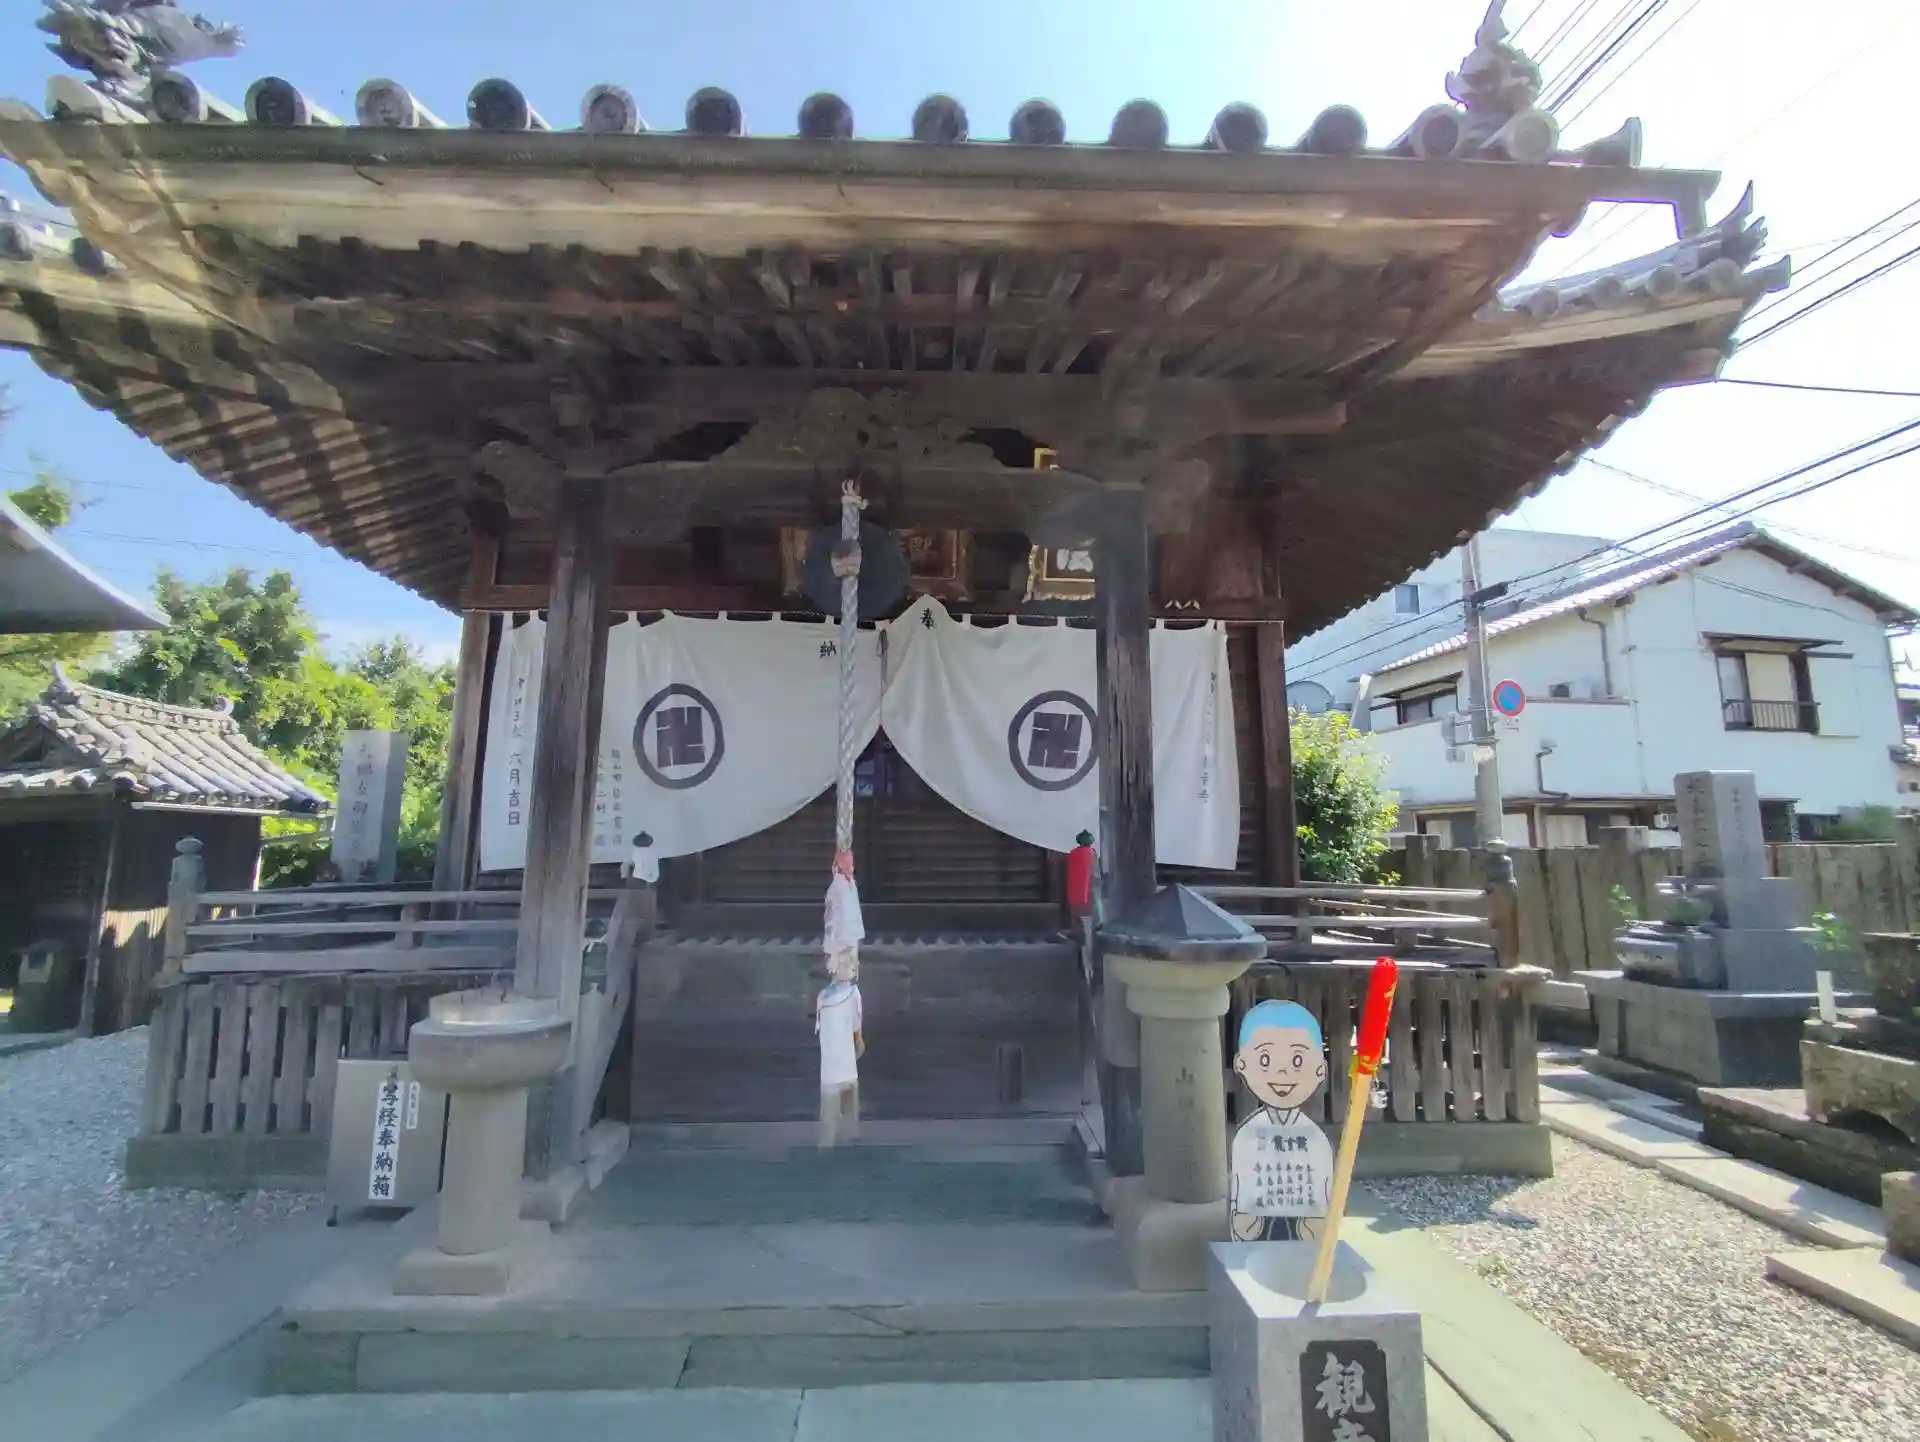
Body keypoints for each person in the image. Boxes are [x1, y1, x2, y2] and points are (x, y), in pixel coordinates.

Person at [1228, 999, 1334, 1242]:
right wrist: (1242, 1218)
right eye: (1265, 1060)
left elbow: (1323, 1192)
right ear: (1241, 1064)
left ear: (1320, 1069)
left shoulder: (1316, 1139)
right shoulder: (1247, 1135)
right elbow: (1240, 1188)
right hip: (1258, 1230)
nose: (1282, 1072)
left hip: (1303, 1230)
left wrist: (1318, 1222)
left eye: (1298, 1060)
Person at [817, 850, 865, 1148]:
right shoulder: (838, 889)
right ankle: (842, 1140)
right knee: (839, 1089)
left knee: (841, 1087)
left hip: (844, 961)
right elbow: (835, 927)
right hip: (841, 955)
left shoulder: (847, 887)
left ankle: (841, 1139)